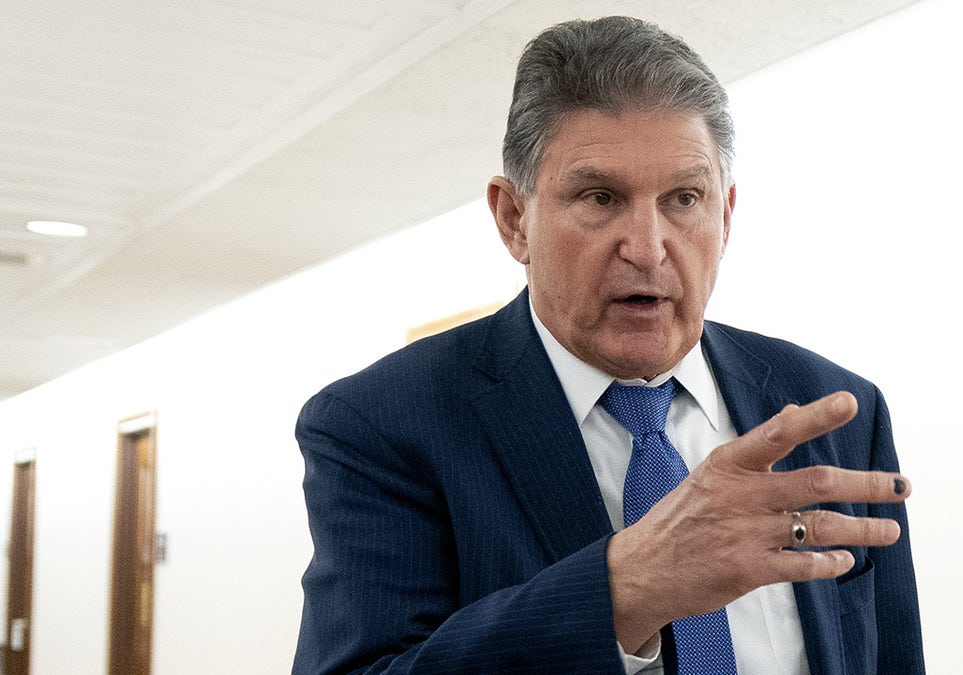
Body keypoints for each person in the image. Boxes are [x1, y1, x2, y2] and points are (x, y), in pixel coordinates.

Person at [293, 15, 923, 675]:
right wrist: (624, 590)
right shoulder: (381, 422)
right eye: (601, 197)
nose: (647, 247)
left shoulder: (837, 410)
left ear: (726, 214)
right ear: (515, 220)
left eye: (684, 198)